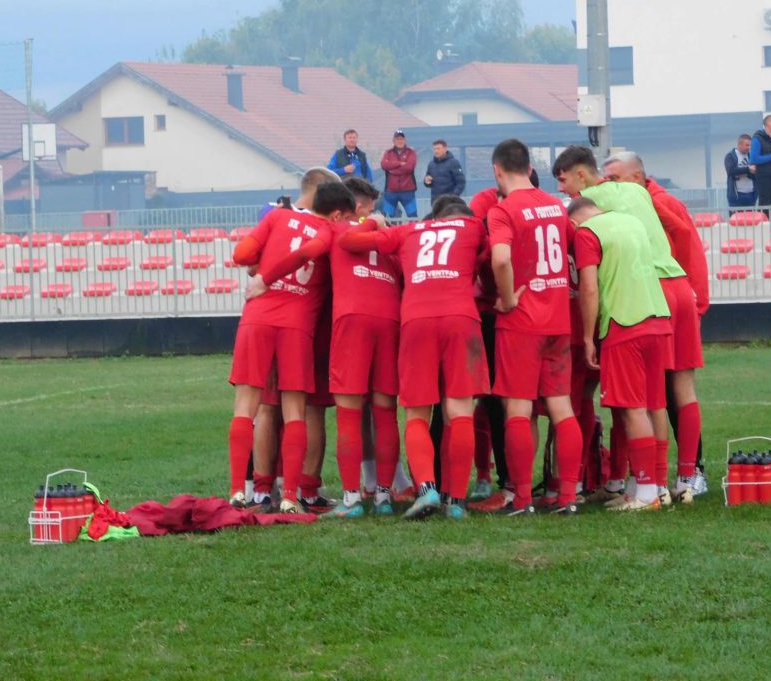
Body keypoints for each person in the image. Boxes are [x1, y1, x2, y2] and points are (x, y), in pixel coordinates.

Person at [553, 145, 699, 504]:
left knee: (630, 400)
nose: (563, 190)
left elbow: (588, 283)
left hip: (639, 293)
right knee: (669, 393)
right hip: (675, 285)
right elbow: (681, 229)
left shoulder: (585, 207)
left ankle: (640, 484)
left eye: (564, 180)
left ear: (581, 176)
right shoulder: (638, 191)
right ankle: (680, 479)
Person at [338, 200, 490, 520]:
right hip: (461, 318)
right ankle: (457, 503)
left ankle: (426, 489)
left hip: (416, 321)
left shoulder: (408, 230)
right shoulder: (474, 226)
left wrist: (374, 222)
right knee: (459, 412)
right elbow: (495, 257)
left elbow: (349, 242)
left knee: (417, 414)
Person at [226, 182, 357, 513]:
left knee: (247, 406)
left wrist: (261, 271)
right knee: (296, 410)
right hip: (297, 325)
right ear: (338, 213)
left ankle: (238, 492)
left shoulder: (278, 217)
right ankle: (290, 496)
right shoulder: (329, 231)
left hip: (257, 317)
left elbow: (241, 255)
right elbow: (308, 252)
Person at [601, 152, 710, 496]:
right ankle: (662, 478)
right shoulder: (630, 203)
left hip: (660, 296)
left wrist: (698, 300)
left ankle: (675, 477)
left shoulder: (660, 202)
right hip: (664, 295)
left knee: (659, 393)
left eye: (614, 178)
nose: (607, 184)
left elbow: (688, 244)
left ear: (636, 178)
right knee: (659, 394)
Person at [487, 139, 582, 516]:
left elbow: (500, 260)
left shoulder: (503, 210)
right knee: (562, 408)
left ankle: (523, 498)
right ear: (529, 168)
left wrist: (508, 299)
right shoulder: (557, 207)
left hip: (522, 322)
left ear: (498, 171)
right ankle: (569, 496)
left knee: (518, 410)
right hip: (558, 318)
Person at [568, 196, 672, 512]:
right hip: (657, 317)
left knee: (632, 409)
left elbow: (589, 288)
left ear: (574, 222)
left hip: (623, 324)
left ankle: (645, 493)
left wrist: (587, 337)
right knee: (655, 404)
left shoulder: (587, 233)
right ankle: (656, 485)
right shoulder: (632, 221)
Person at [750, 115, 771, 219]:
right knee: (764, 205)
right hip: (764, 177)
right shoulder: (757, 139)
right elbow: (754, 159)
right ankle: (763, 227)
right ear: (768, 123)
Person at [379, 130, 418, 217]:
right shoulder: (388, 152)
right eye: (397, 139)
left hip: (408, 191)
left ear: (405, 140)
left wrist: (392, 169)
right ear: (394, 141)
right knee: (387, 217)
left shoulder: (411, 152)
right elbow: (384, 165)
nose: (399, 141)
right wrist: (400, 163)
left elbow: (409, 167)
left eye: (401, 139)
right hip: (391, 191)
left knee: (412, 216)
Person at [725, 134, 757, 210]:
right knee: (735, 220)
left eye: (750, 145)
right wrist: (748, 169)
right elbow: (731, 171)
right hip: (736, 195)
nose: (749, 148)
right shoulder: (730, 156)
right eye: (747, 145)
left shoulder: (751, 156)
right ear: (739, 144)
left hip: (751, 194)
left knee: (750, 220)